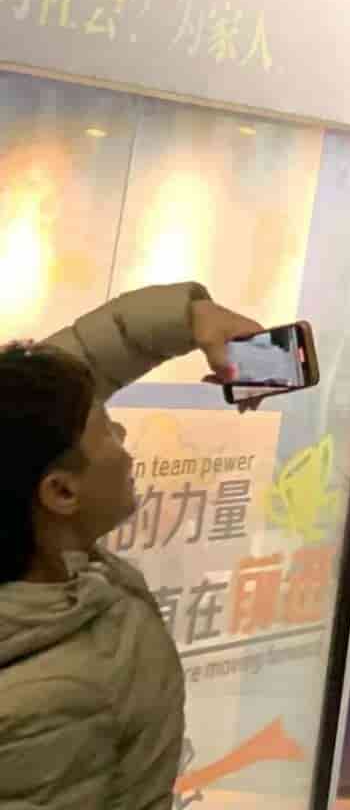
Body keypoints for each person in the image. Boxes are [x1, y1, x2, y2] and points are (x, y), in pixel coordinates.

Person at [0, 282, 264, 806]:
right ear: (61, 492)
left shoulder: (23, 479)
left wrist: (190, 318)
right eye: (107, 431)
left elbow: (62, 375)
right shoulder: (47, 706)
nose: (122, 436)